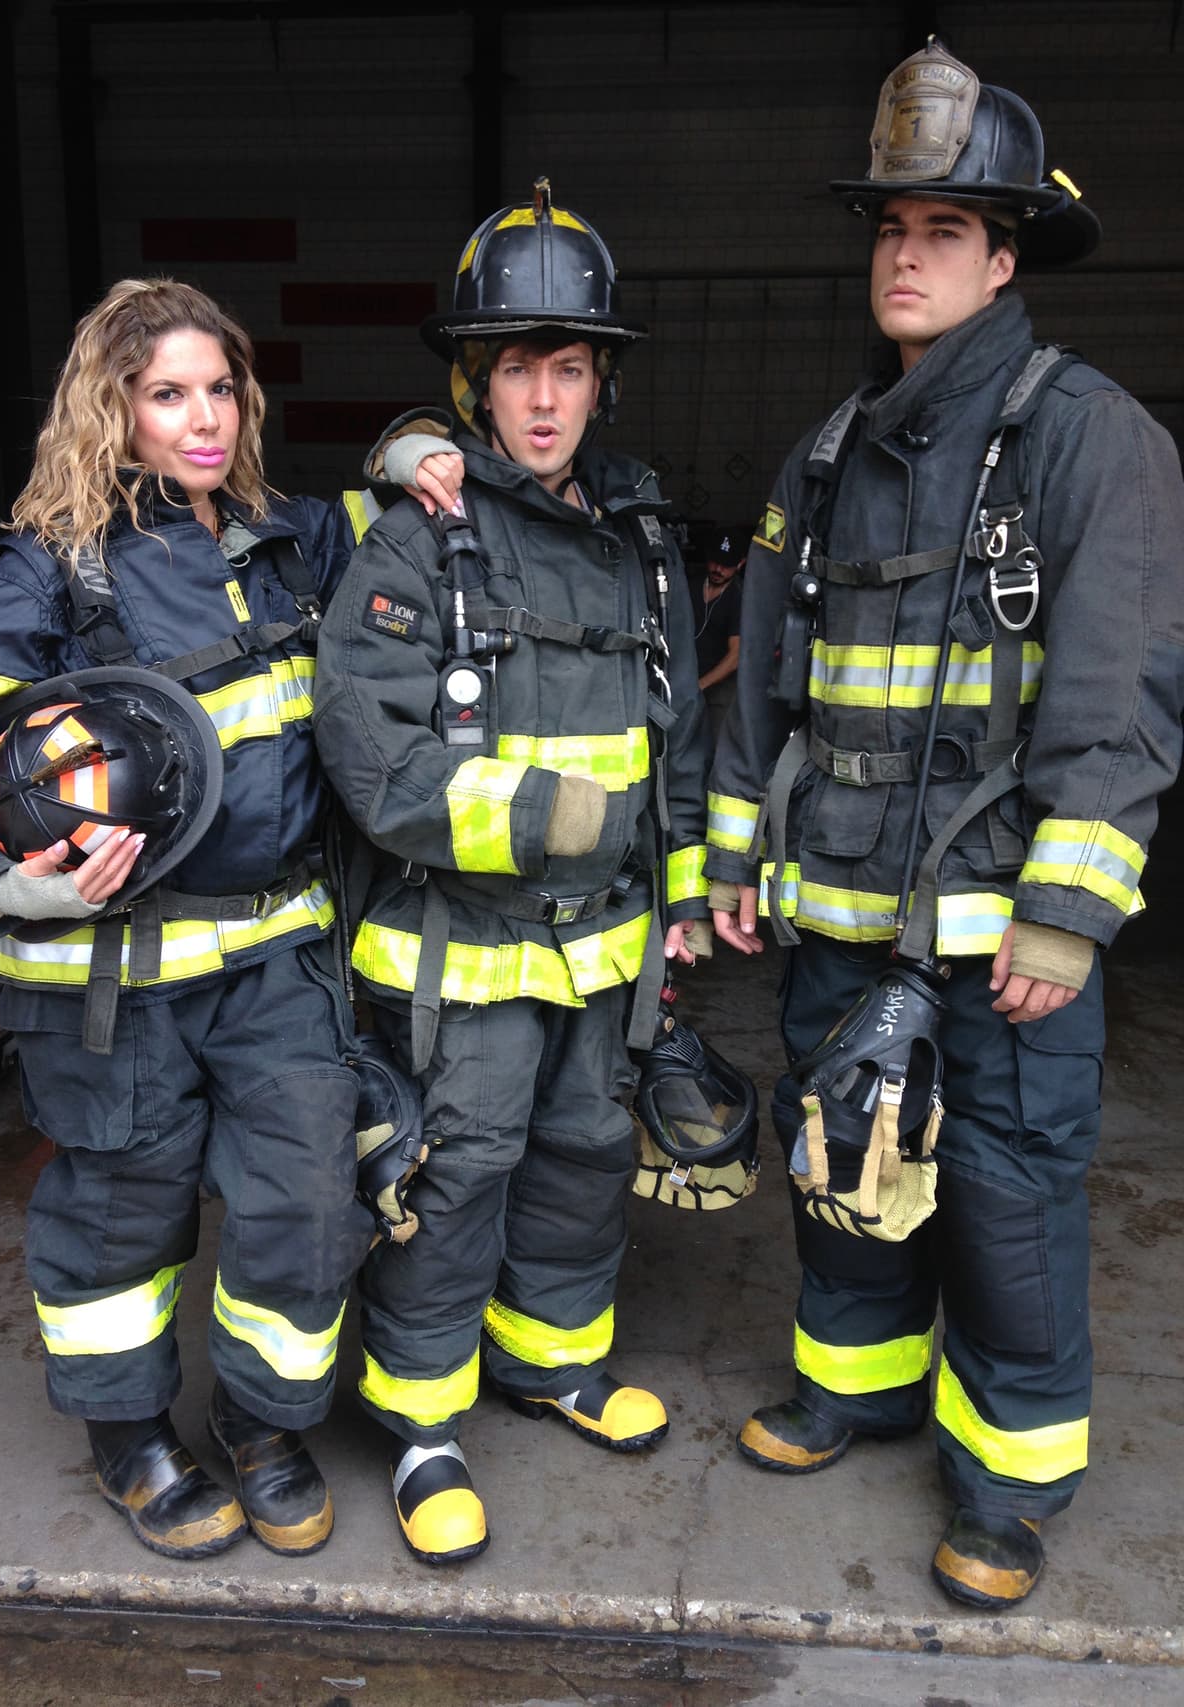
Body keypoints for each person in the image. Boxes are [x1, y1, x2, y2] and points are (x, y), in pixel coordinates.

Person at [708, 41, 1184, 1610]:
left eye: (941, 232)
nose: (903, 258)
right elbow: (761, 678)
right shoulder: (834, 452)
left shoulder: (1087, 439)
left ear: (1004, 254)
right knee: (848, 1168)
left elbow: (1119, 698)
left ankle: (1009, 1479)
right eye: (889, 229)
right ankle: (855, 1385)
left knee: (1004, 1192)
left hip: (997, 945)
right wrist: (731, 859)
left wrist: (1066, 910)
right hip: (838, 921)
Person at [0, 278, 456, 1563]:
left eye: (220, 390)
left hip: (278, 965)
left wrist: (419, 447)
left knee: (310, 1205)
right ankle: (129, 1437)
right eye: (168, 396)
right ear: (116, 411)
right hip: (113, 985)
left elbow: (401, 506)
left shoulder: (288, 538)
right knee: (119, 1216)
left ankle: (263, 1424)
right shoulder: (54, 574)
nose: (202, 420)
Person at [313, 180, 713, 1565]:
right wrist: (557, 815)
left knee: (583, 1157)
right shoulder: (413, 539)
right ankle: (422, 1422)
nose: (545, 397)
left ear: (603, 377)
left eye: (571, 364)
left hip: (602, 952)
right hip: (454, 956)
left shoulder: (641, 542)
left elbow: (680, 743)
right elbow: (374, 763)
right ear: (475, 382)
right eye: (519, 367)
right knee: (458, 1167)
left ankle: (553, 1361)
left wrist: (674, 900)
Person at [689, 524, 746, 739]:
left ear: (741, 563)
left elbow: (736, 656)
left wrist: (700, 685)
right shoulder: (691, 584)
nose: (718, 569)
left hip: (721, 687)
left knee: (715, 743)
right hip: (687, 678)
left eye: (726, 565)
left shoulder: (739, 597)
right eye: (715, 561)